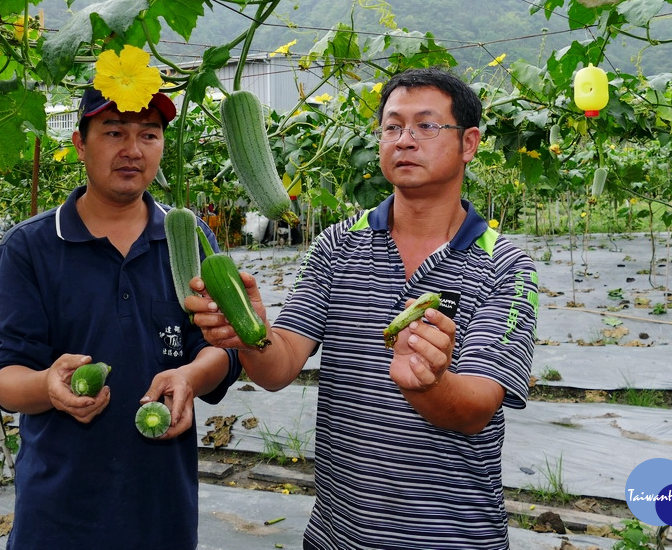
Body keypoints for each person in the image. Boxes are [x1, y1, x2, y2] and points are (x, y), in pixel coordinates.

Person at [188, 67, 539, 550]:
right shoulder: (337, 245)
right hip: (339, 535)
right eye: (392, 127)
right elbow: (278, 365)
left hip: (453, 536)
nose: (405, 140)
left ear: (469, 143)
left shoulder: (506, 265)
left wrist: (430, 385)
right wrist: (249, 331)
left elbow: (476, 409)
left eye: (427, 126)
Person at [0, 85, 240, 550]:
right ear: (80, 143)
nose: (132, 150)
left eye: (149, 134)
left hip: (163, 510)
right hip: (59, 513)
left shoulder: (190, 236)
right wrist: (48, 387)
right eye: (114, 132)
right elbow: (5, 375)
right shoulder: (29, 248)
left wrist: (190, 376)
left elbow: (222, 348)